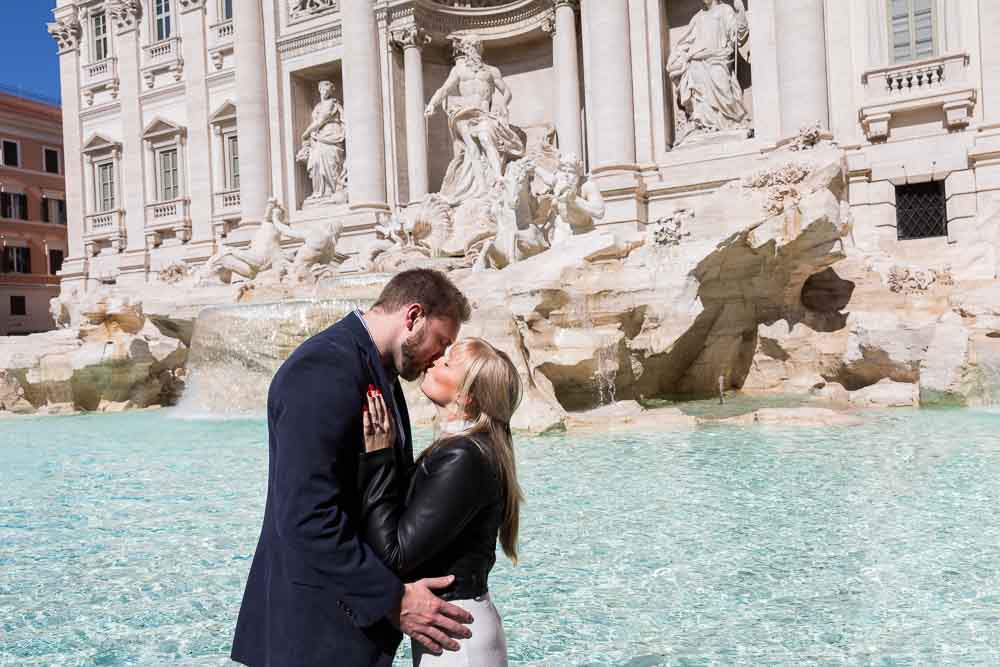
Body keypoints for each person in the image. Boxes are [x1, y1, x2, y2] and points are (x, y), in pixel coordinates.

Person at [231, 268, 475, 667]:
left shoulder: (380, 371)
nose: (440, 356)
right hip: (313, 636)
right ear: (413, 317)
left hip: (344, 629)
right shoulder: (324, 369)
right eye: (442, 341)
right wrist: (394, 600)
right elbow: (306, 517)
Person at [359, 338, 524, 666]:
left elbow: (396, 555)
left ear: (466, 396)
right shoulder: (469, 449)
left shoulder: (464, 456)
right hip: (456, 628)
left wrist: (377, 457)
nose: (434, 363)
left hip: (457, 639)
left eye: (447, 364)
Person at [425, 35, 525, 204]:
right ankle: (481, 188)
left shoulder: (492, 71)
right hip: (463, 112)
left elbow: (506, 91)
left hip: (484, 112)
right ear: (465, 49)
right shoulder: (458, 70)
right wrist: (432, 104)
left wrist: (502, 104)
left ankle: (498, 178)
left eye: (477, 45)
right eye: (471, 45)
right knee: (472, 149)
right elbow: (444, 90)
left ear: (481, 48)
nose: (474, 48)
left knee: (486, 137)